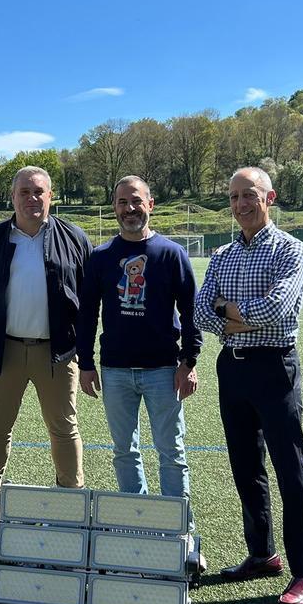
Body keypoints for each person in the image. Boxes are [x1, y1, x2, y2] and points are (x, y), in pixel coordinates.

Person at [193, 166, 303, 604]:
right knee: (245, 466)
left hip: (274, 368)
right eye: (233, 197)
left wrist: (227, 310)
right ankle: (262, 553)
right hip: (232, 368)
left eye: (249, 194)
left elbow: (277, 309)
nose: (241, 204)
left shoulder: (290, 249)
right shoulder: (222, 255)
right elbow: (199, 312)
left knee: (290, 468)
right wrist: (237, 316)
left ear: (269, 197)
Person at [0, 166, 93, 530]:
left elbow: (88, 296)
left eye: (38, 192)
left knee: (64, 428)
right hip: (6, 351)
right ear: (12, 196)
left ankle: (70, 501)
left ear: (51, 196)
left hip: (58, 353)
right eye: (24, 192)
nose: (32, 198)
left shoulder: (74, 237)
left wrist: (83, 351)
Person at [77, 176, 202, 510]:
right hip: (115, 370)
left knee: (171, 452)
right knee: (124, 452)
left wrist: (189, 361)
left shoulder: (171, 254)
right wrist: (85, 363)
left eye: (136, 201)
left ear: (150, 204)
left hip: (163, 370)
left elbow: (191, 311)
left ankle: (178, 529)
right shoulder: (101, 256)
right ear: (114, 207)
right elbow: (87, 313)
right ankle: (139, 522)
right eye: (122, 202)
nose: (129, 208)